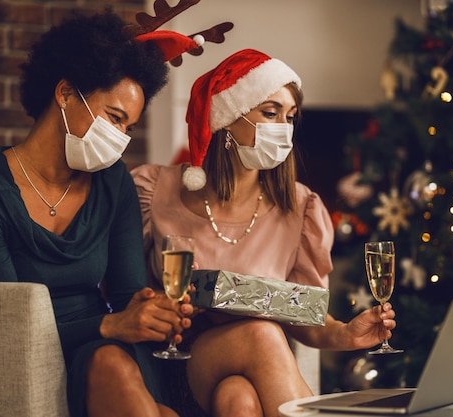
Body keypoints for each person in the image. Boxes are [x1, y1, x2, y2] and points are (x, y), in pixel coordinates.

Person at [131, 48, 398, 417]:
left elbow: (302, 313)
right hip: (176, 361)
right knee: (263, 333)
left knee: (238, 400)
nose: (283, 128)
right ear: (226, 119)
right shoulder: (153, 189)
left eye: (290, 117)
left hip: (245, 372)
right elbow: (122, 291)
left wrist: (346, 334)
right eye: (270, 113)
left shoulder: (300, 208)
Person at [0, 11, 206, 417]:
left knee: (123, 372)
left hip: (108, 347)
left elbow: (124, 295)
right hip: (32, 356)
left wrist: (153, 310)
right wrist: (111, 326)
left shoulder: (113, 183)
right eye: (114, 118)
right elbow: (5, 329)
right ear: (64, 93)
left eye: (128, 127)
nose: (120, 139)